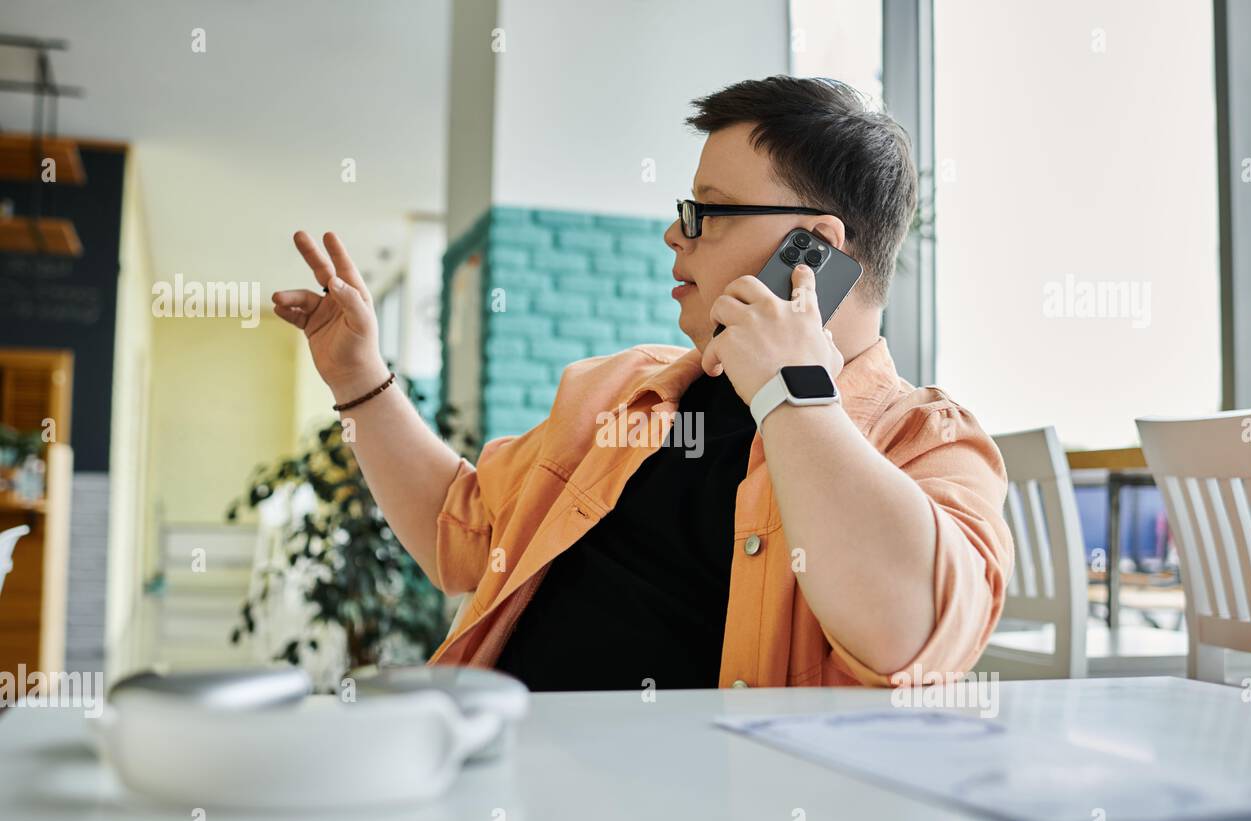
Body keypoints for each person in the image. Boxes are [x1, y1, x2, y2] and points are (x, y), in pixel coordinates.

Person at [272, 75, 1014, 692]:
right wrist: (358, 376)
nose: (674, 234)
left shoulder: (926, 439)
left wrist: (792, 390)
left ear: (811, 251)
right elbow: (462, 536)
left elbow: (910, 639)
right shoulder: (622, 391)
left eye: (706, 213)